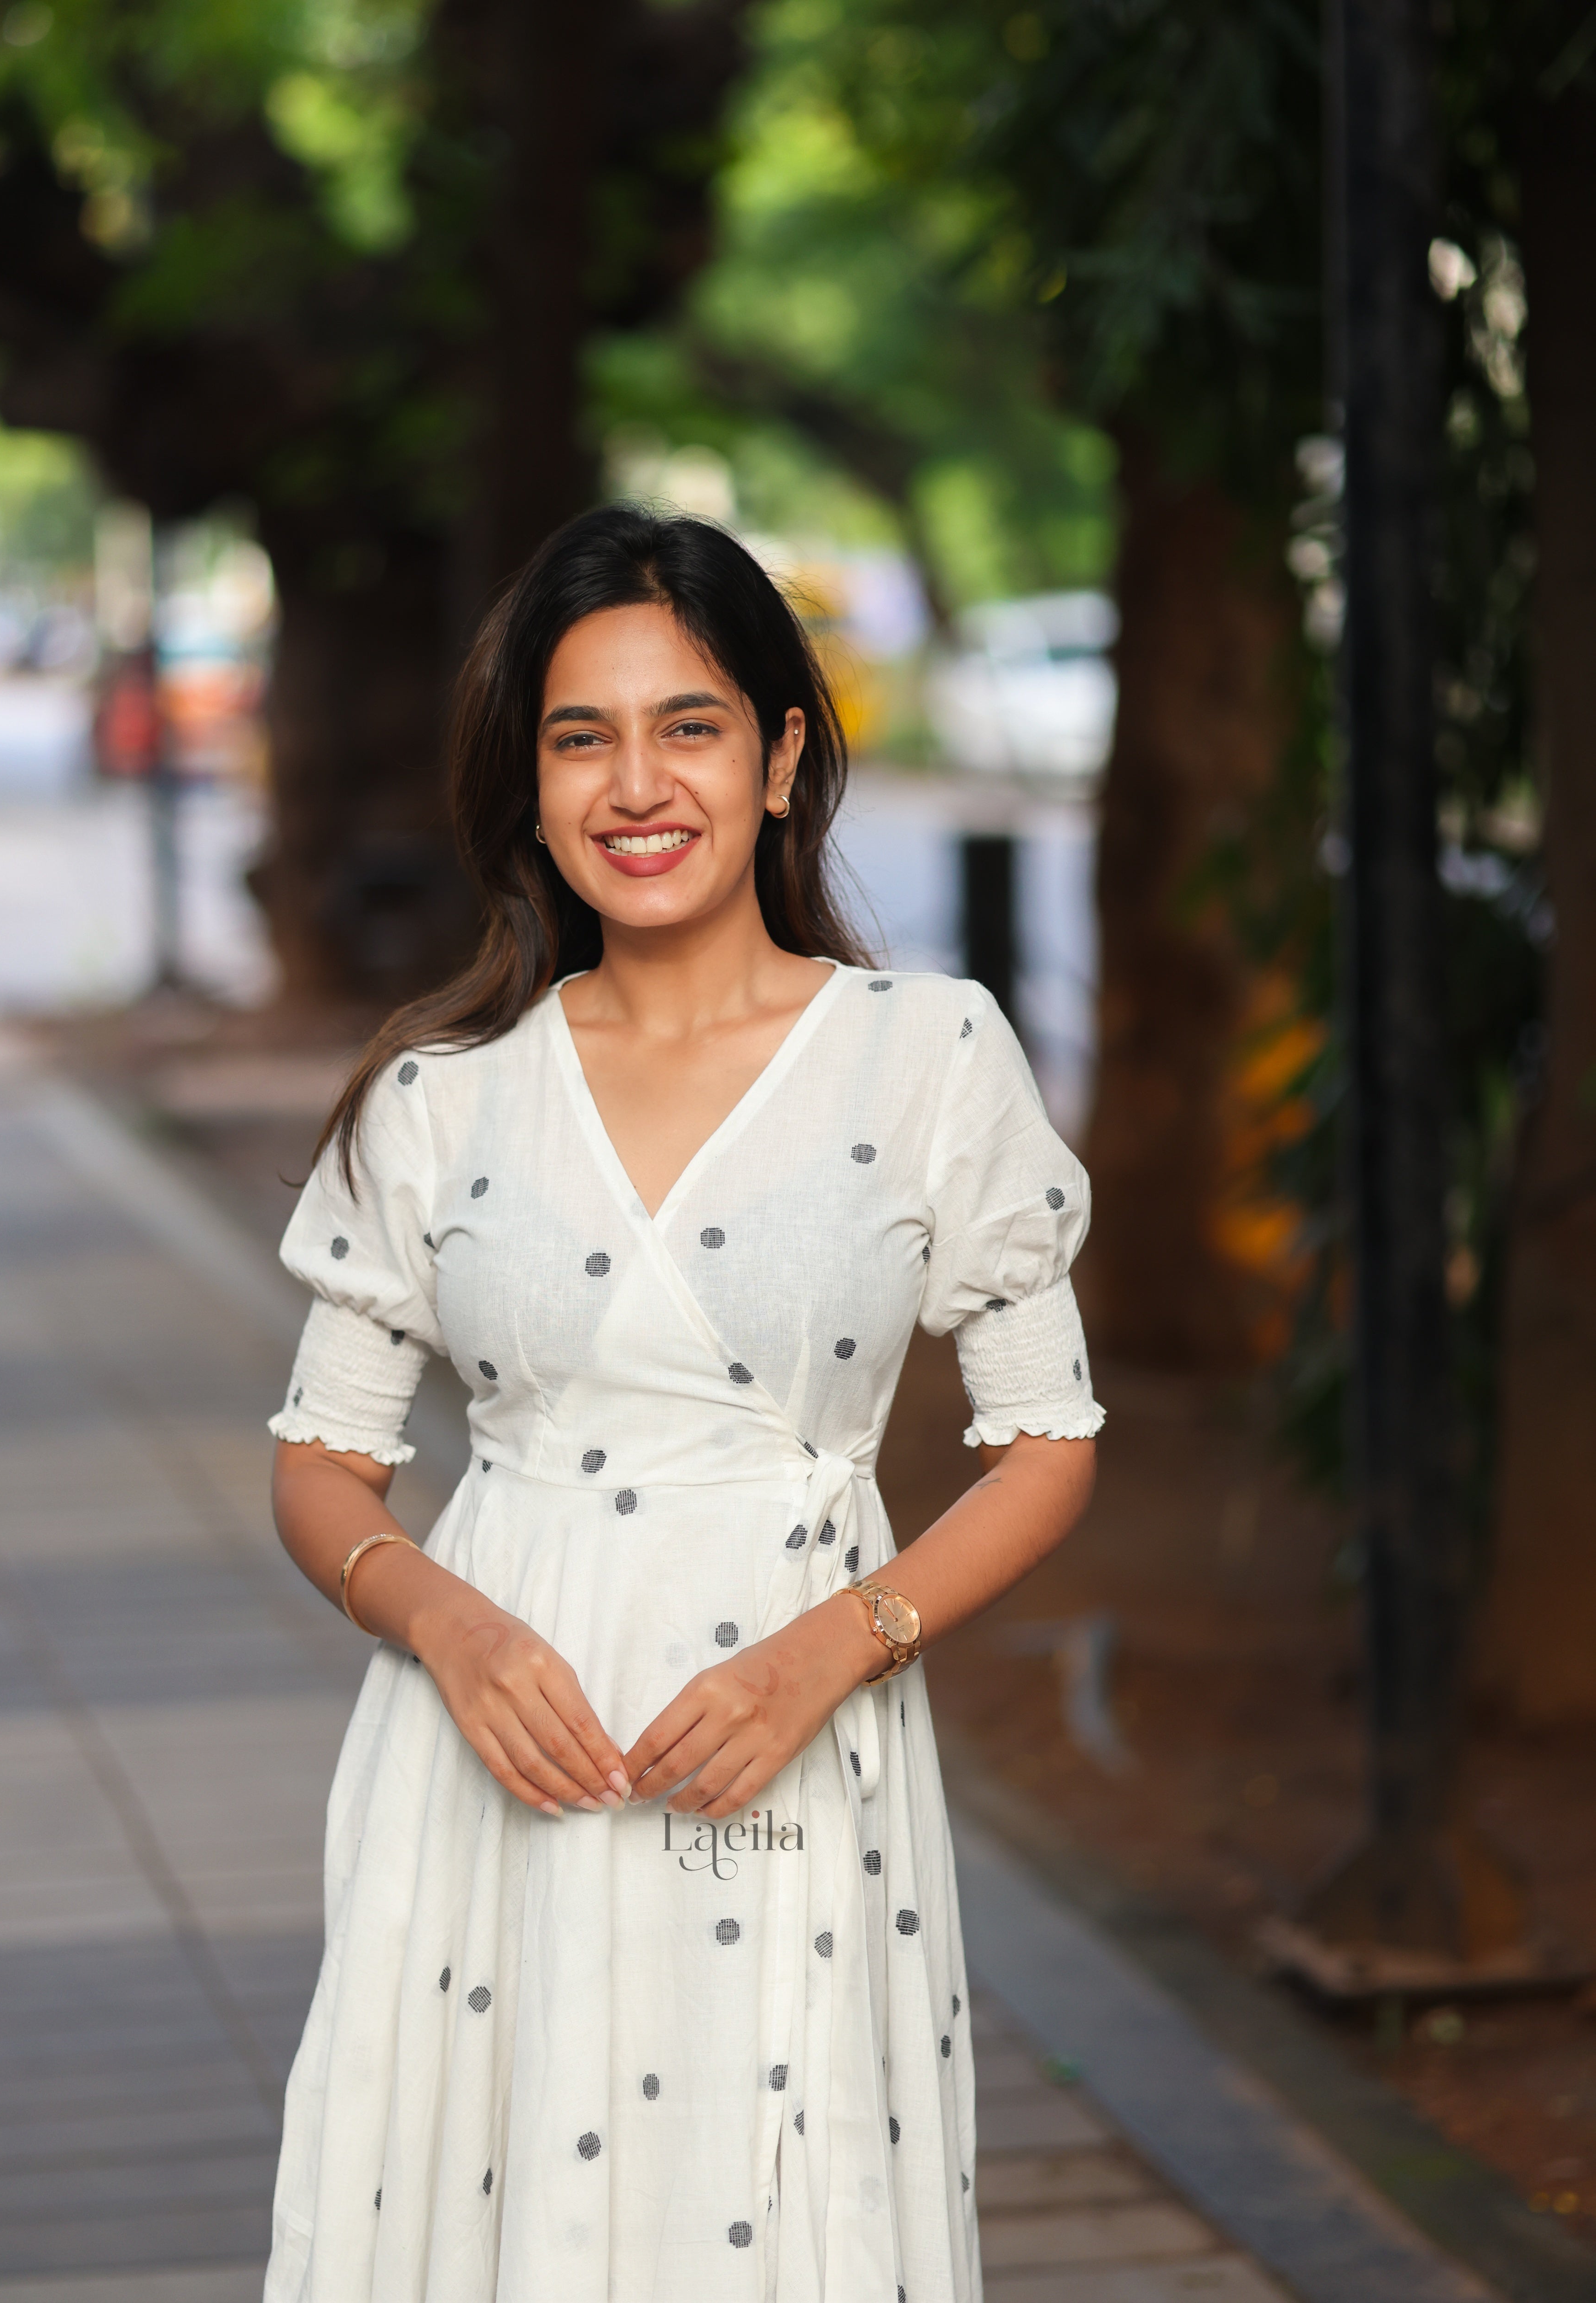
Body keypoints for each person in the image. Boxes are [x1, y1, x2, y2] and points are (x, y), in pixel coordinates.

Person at [263, 505, 1102, 2302]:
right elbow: (324, 1465)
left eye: (689, 725)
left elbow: (1044, 1439)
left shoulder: (926, 1054)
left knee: (783, 2217)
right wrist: (450, 1626)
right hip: (488, 1767)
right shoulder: (439, 1098)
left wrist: (840, 1643)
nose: (635, 783)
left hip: (796, 1747)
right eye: (581, 737)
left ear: (784, 757)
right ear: (532, 783)